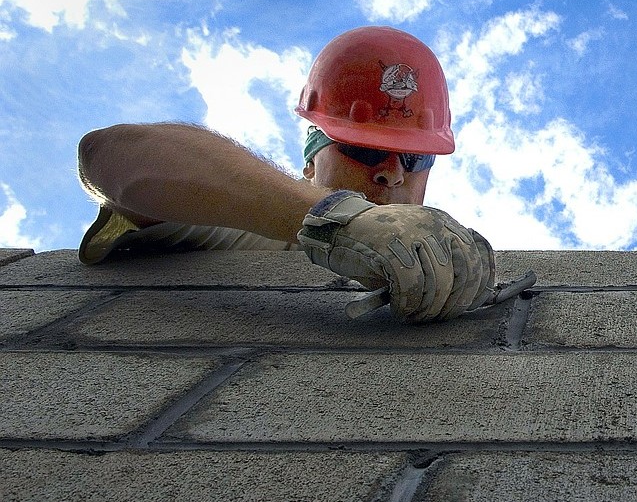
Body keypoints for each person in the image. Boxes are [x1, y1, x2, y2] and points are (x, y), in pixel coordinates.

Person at [76, 26, 495, 323]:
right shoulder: (241, 226)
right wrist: (338, 219)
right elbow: (108, 154)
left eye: (415, 159)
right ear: (312, 161)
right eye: (363, 149)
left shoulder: (441, 270)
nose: (392, 174)